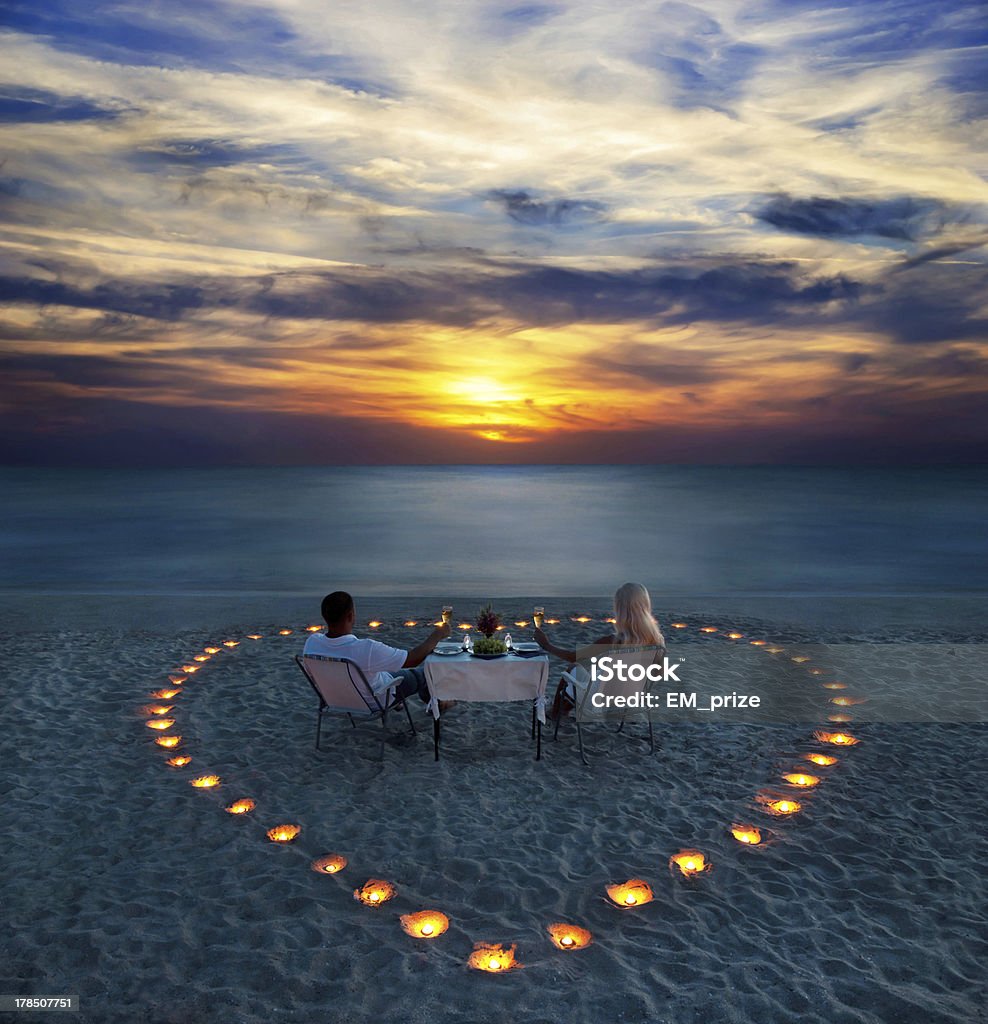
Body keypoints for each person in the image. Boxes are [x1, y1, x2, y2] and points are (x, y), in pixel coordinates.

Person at [534, 582, 666, 718]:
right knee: (589, 673)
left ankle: (556, 713)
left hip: (603, 702)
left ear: (620, 610)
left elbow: (574, 656)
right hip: (633, 699)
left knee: (573, 669)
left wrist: (547, 645)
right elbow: (658, 674)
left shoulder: (613, 641)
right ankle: (560, 711)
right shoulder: (658, 640)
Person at [303, 591, 452, 707]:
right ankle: (439, 704)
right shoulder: (366, 649)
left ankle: (403, 704)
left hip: (337, 700)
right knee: (426, 673)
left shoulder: (312, 643)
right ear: (351, 615)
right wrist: (437, 636)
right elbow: (412, 660)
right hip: (375, 700)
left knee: (381, 669)